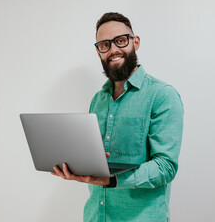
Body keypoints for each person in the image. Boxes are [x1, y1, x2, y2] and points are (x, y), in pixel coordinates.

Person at [51, 12, 184, 222]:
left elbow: (165, 167)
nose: (113, 49)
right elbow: (95, 161)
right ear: (98, 52)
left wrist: (112, 179)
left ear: (135, 42)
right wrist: (75, 164)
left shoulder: (162, 96)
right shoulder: (98, 100)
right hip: (95, 216)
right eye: (105, 44)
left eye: (120, 41)